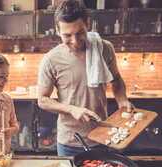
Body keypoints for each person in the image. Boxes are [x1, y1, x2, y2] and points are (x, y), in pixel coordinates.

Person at [37, 0, 133, 156]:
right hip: (69, 141)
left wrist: (122, 100)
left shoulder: (104, 48)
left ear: (88, 23)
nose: (75, 41)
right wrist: (72, 109)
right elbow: (42, 100)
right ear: (57, 30)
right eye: (67, 35)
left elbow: (116, 80)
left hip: (102, 136)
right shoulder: (51, 59)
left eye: (80, 32)